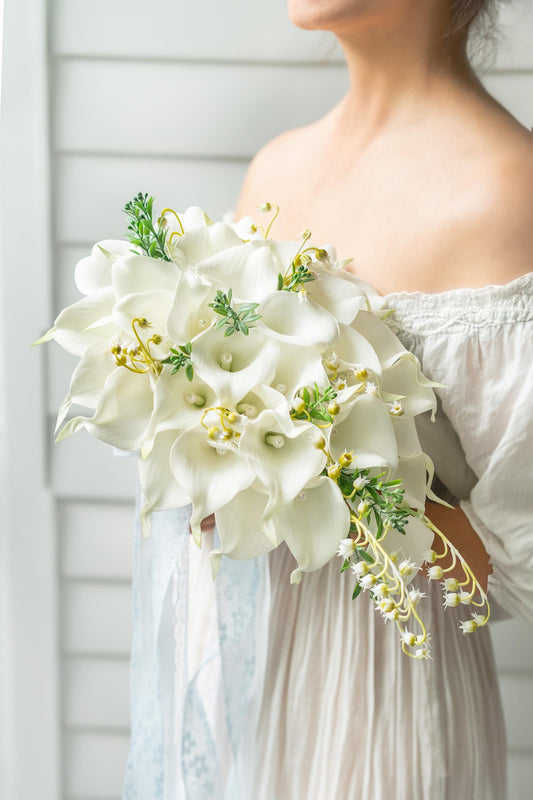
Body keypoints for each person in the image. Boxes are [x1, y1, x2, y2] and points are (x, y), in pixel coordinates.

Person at [122, 2, 532, 799]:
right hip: (235, 656)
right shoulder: (277, 167)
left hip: (376, 694)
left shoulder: (506, 193)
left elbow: (520, 562)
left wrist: (331, 464)